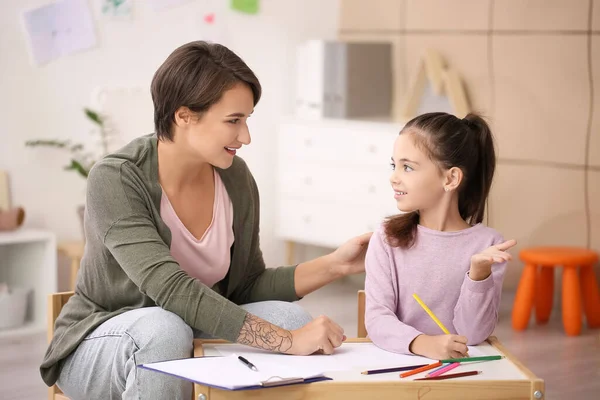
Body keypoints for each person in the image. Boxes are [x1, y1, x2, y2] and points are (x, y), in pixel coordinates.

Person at [40, 41, 371, 400]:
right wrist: (287, 342)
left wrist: (336, 265)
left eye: (246, 120)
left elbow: (245, 286)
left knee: (287, 318)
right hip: (102, 344)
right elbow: (169, 289)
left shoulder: (235, 177)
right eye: (233, 121)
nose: (245, 137)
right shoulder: (116, 178)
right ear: (184, 116)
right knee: (163, 330)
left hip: (185, 330)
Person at [364, 112, 516, 360]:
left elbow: (474, 335)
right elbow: (377, 319)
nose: (394, 177)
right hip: (397, 364)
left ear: (451, 178)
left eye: (408, 167)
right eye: (395, 165)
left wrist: (478, 275)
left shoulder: (488, 246)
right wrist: (424, 344)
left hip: (460, 373)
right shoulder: (386, 238)